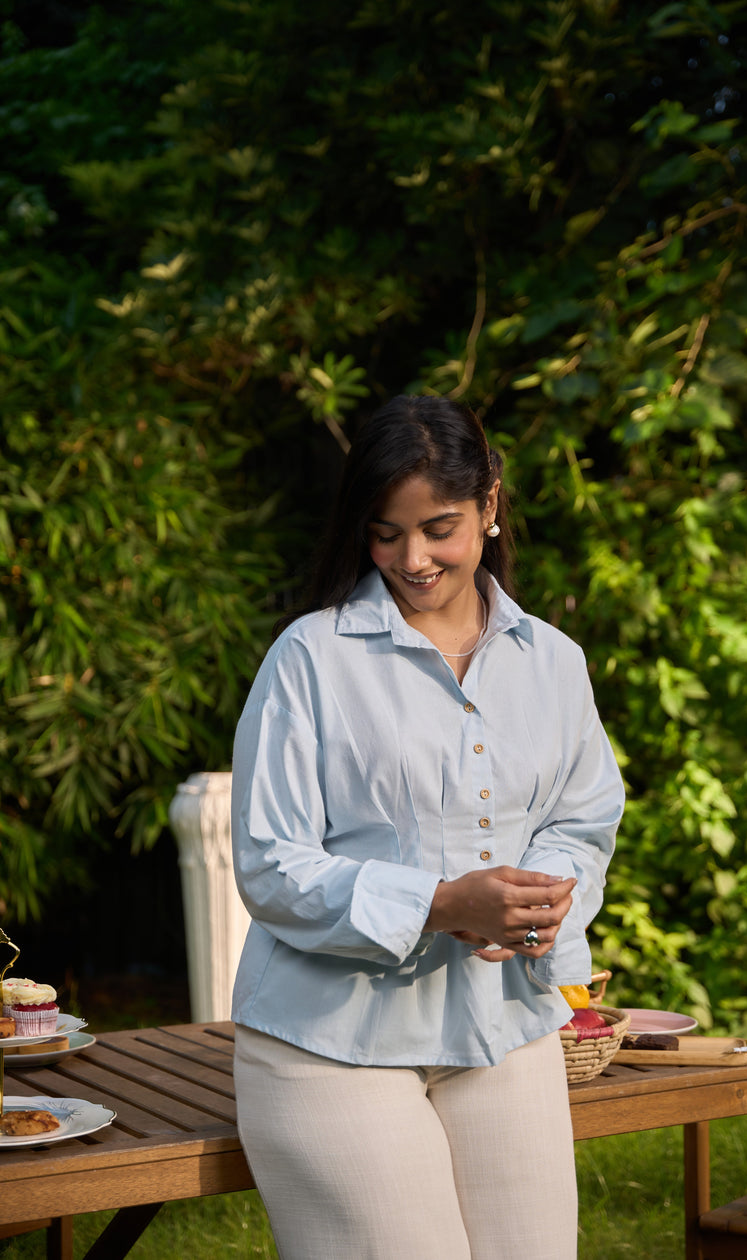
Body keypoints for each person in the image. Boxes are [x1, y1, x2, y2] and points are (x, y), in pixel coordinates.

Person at [231, 393, 624, 1260]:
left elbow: (582, 814)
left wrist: (547, 899)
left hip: (502, 1027)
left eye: (437, 527)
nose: (411, 558)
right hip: (330, 1044)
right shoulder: (310, 658)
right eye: (384, 533)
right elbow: (270, 865)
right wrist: (443, 903)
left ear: (490, 504)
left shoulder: (554, 661)